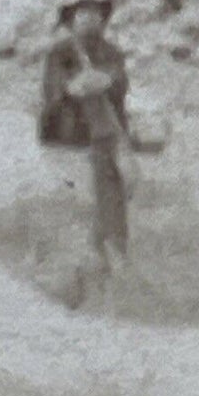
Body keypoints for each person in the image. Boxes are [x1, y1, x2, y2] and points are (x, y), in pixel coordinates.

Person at [39, 0, 131, 149]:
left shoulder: (111, 52)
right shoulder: (59, 52)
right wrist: (71, 86)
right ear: (72, 18)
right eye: (83, 13)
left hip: (104, 135)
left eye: (95, 12)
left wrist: (106, 80)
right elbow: (52, 87)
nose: (90, 18)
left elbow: (120, 82)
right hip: (66, 134)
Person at [67, 63, 137, 276]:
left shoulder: (97, 111)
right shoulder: (102, 109)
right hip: (103, 149)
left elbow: (112, 141)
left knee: (109, 204)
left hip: (105, 149)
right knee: (109, 204)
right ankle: (106, 253)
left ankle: (110, 255)